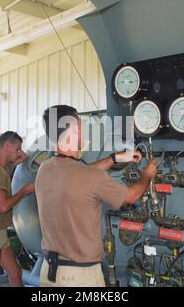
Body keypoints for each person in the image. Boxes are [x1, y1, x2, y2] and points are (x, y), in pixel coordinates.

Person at [35, 105, 158, 287]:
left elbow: (79, 175)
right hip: (80, 277)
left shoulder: (45, 169)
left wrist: (114, 158)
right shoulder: (90, 177)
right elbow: (132, 196)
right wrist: (147, 175)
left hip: (49, 273)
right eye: (80, 124)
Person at [0, 131, 35, 286]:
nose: (19, 152)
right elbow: (3, 206)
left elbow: (24, 158)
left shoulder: (4, 168)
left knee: (15, 273)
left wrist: (17, 151)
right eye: (16, 148)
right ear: (7, 146)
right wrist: (24, 191)